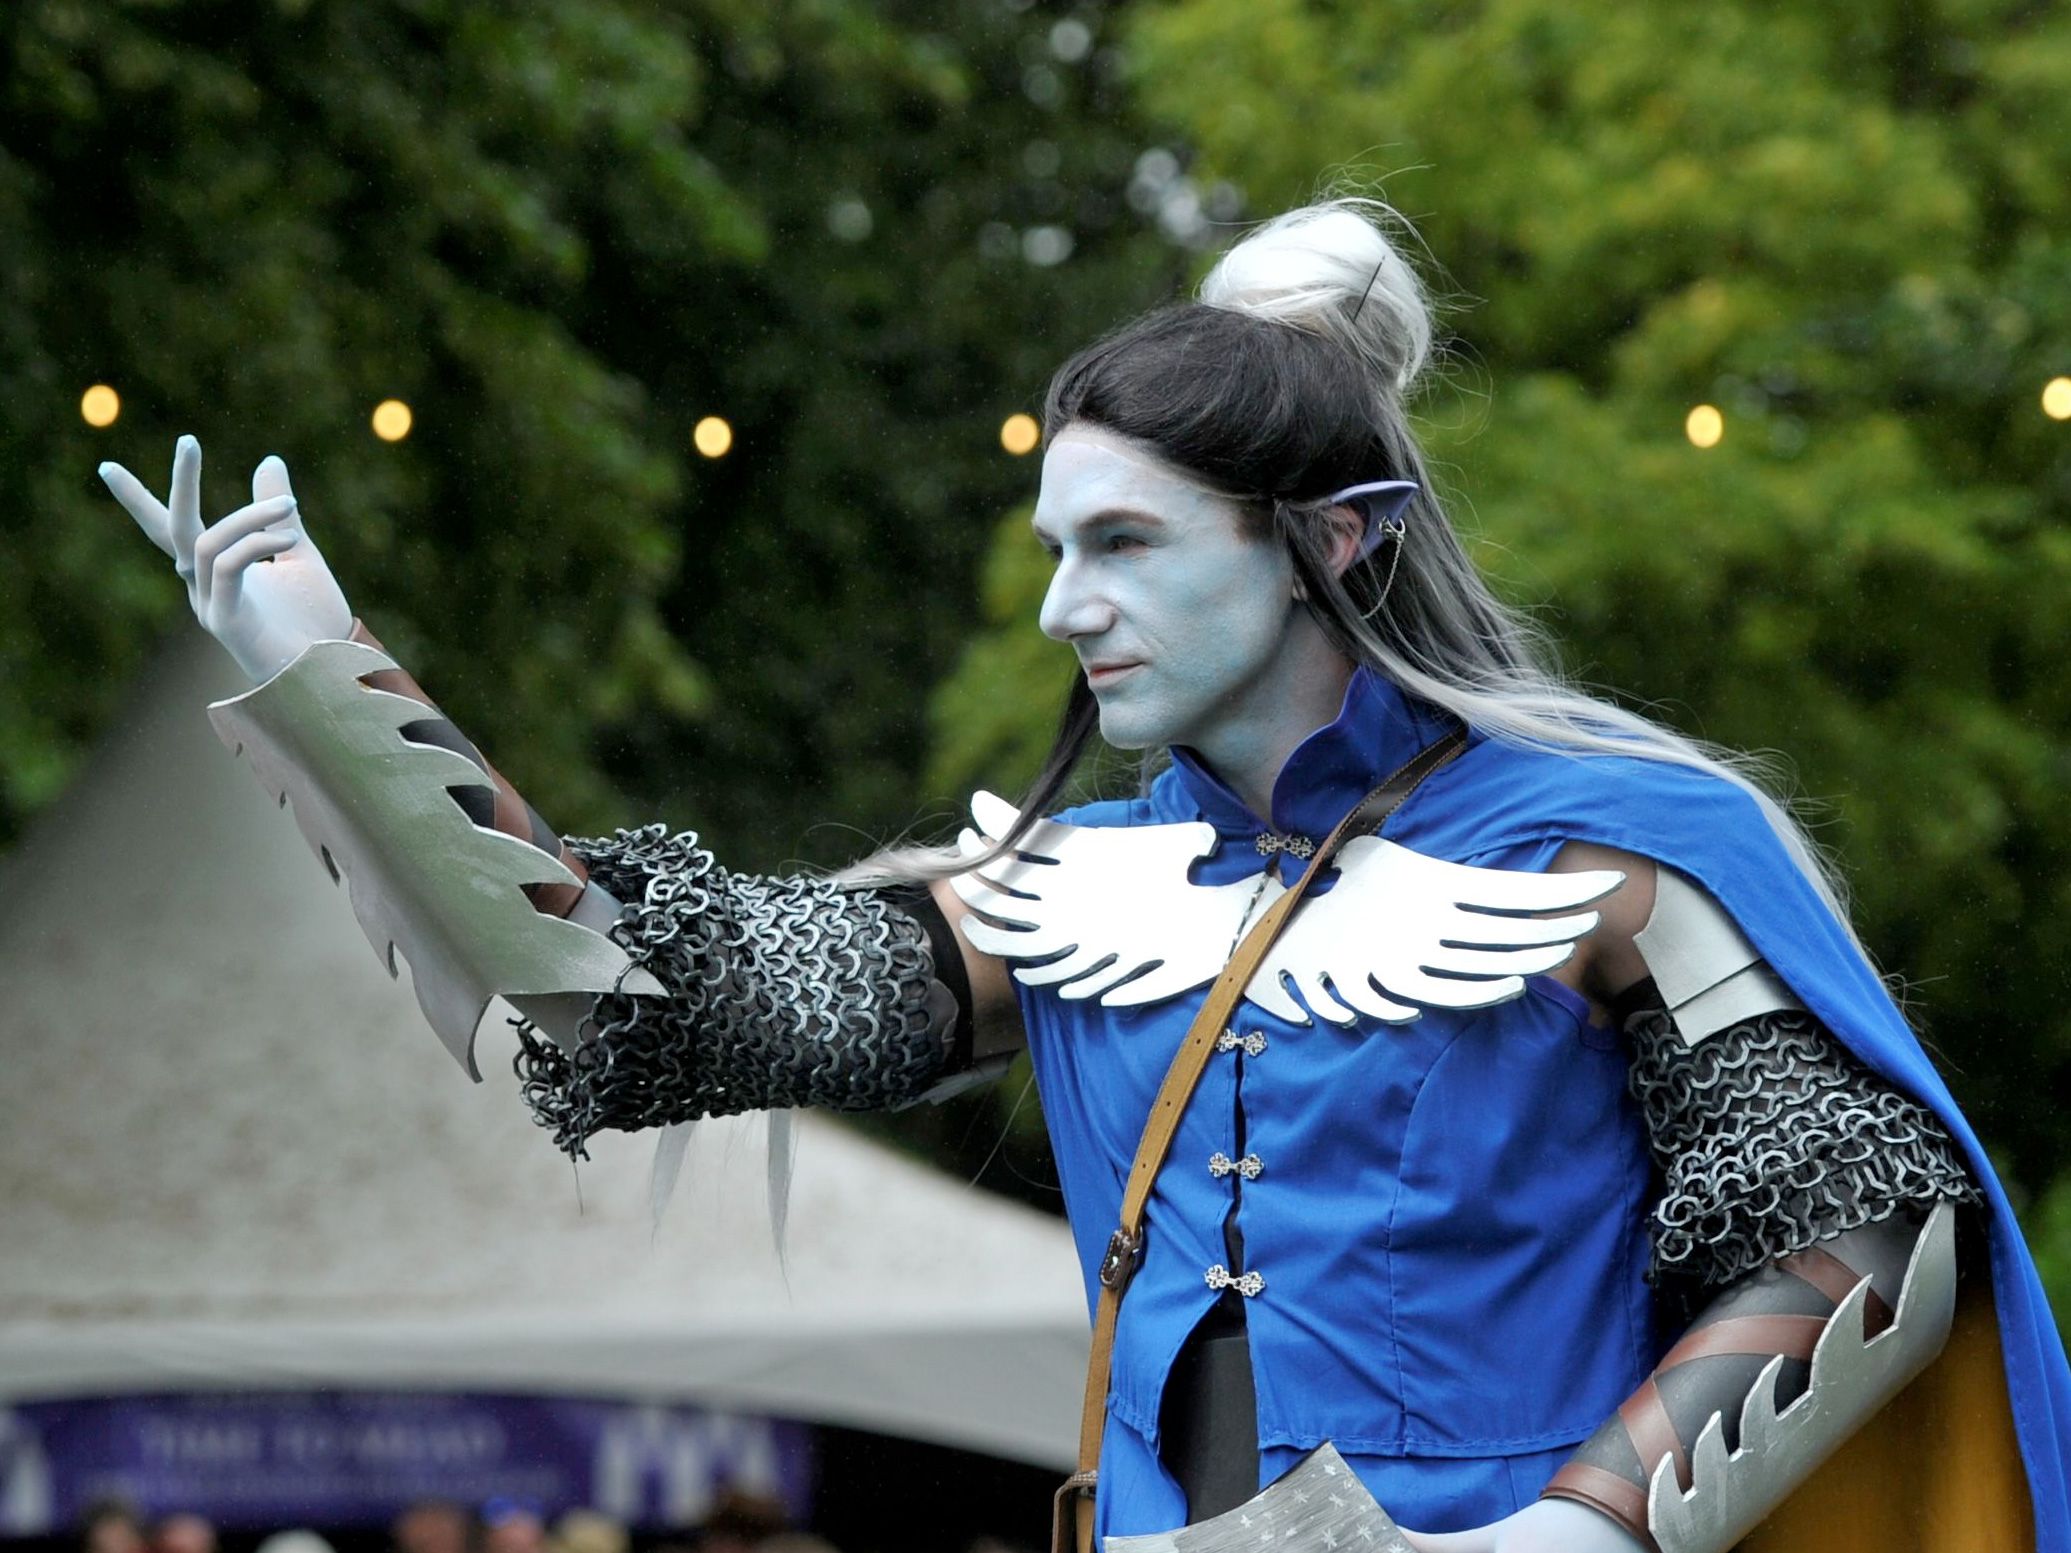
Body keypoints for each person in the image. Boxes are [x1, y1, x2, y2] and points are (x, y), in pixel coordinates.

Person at [99, 199, 2070, 1552]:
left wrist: (1574, 1531)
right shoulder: (1065, 893)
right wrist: (326, 672)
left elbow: (1865, 1236)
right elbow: (642, 1000)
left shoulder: (1619, 852)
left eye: (1124, 545)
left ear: (1333, 542)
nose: (1061, 608)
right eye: (1056, 545)